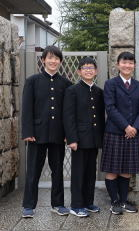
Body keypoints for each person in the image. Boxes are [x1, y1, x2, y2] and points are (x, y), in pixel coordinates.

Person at [21, 45, 72, 218]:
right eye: (49, 58)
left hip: (58, 134)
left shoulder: (66, 84)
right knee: (33, 170)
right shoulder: (32, 81)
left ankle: (57, 204)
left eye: (56, 58)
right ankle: (28, 205)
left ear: (60, 61)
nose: (53, 61)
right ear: (43, 60)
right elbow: (27, 108)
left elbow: (68, 112)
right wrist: (27, 131)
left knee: (57, 170)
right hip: (36, 133)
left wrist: (68, 133)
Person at [100, 52, 139, 215]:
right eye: (124, 62)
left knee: (126, 169)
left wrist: (135, 127)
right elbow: (110, 108)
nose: (127, 65)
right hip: (114, 132)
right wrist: (126, 126)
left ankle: (124, 200)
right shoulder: (110, 84)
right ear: (118, 65)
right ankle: (114, 202)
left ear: (134, 65)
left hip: (132, 133)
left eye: (130, 63)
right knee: (112, 169)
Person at [63, 57, 105, 217]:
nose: (88, 70)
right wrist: (72, 139)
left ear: (96, 71)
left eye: (91, 68)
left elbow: (100, 116)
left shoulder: (99, 91)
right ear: (79, 71)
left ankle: (88, 202)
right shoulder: (72, 90)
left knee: (90, 172)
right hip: (79, 139)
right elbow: (68, 117)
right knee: (79, 172)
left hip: (94, 139)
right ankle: (76, 205)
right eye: (85, 68)